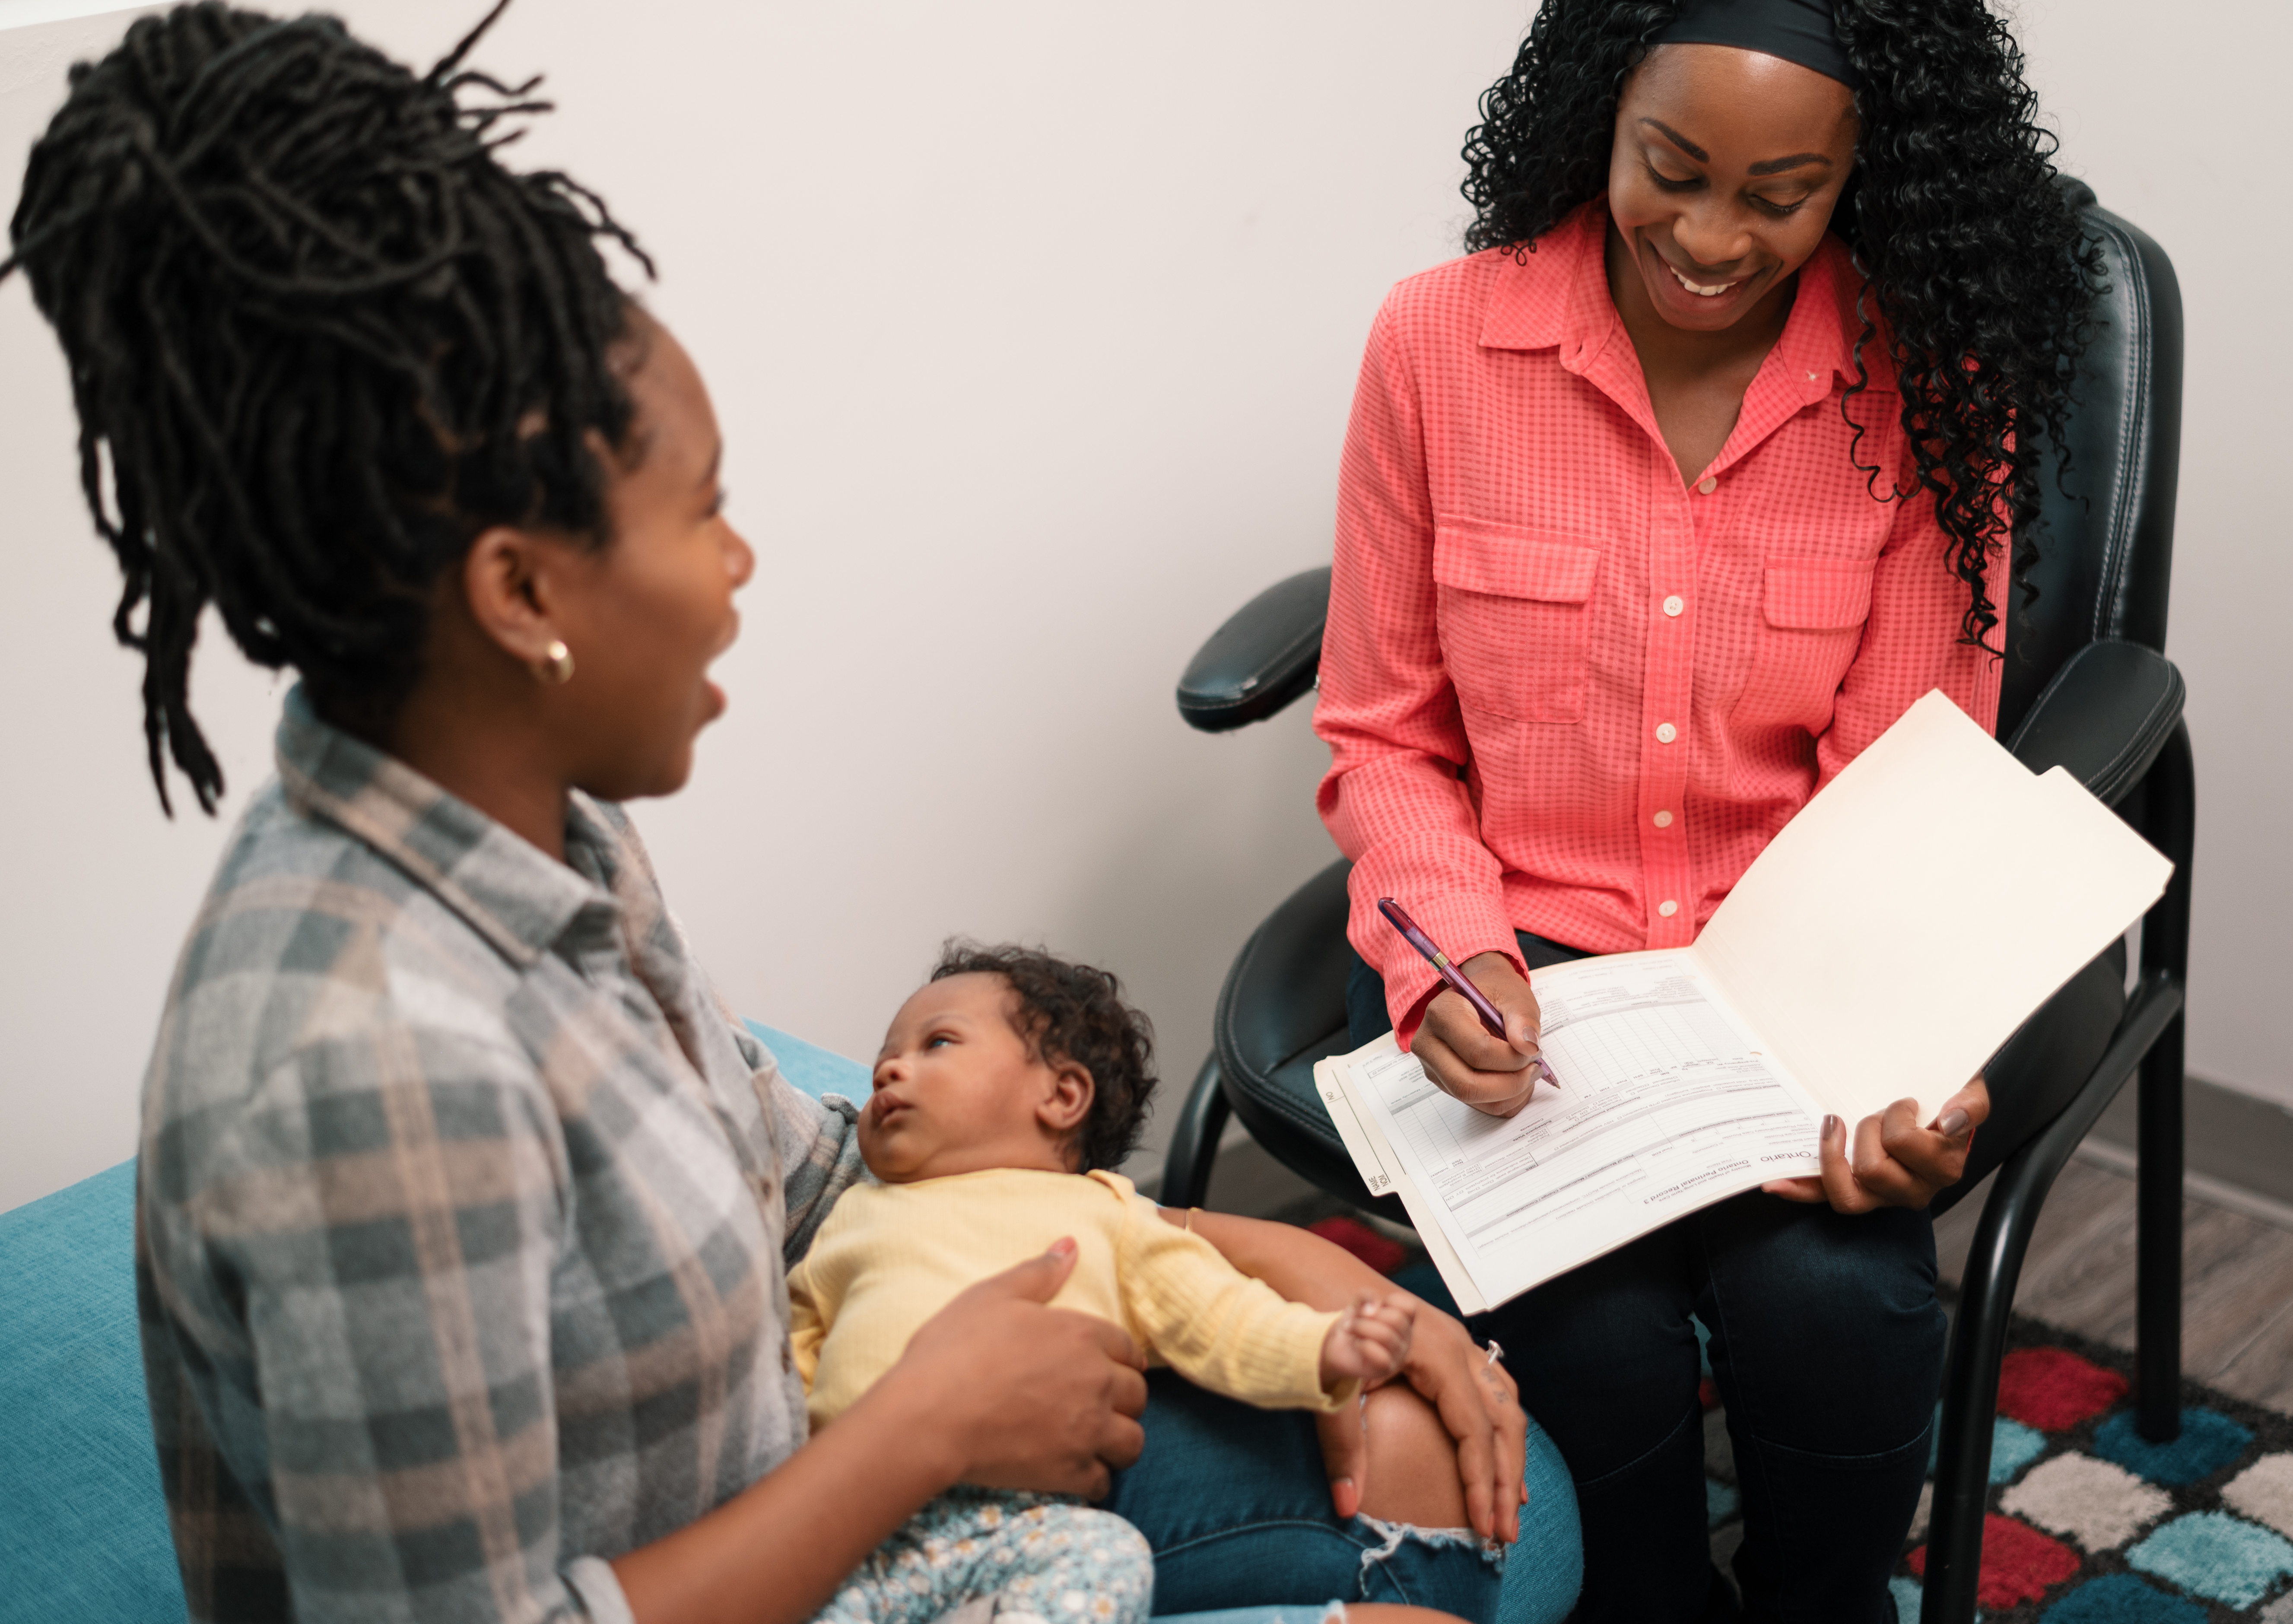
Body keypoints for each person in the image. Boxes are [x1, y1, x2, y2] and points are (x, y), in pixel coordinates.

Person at [0, 5, 1569, 1623]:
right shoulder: (372, 1069)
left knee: (1447, 1470)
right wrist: (911, 1437)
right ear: (521, 591)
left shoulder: (549, 832)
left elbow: (815, 1179)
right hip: (826, 1519)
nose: (739, 566)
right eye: (704, 512)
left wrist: (1280, 1265)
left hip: (829, 1492)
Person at [1312, 0, 2102, 1619]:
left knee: (1836, 1302)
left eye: (1778, 193)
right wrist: (1454, 963)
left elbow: (1900, 804)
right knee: (1584, 1333)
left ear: (1856, 181)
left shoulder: (1928, 391)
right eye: (1669, 169)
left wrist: (1898, 1072)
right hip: (1528, 951)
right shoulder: (1433, 345)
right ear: (1599, 117)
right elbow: (1382, 740)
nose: (1707, 235)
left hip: (1796, 965)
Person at [792, 943, 1435, 1624]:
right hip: (850, 1514)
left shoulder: (1108, 1215)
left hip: (1016, 1527)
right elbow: (792, 1344)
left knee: (1108, 1556)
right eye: (886, 1059)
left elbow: (1221, 1318)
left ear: (1062, 1096)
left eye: (938, 1043)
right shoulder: (854, 1216)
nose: (890, 1068)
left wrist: (1322, 1347)